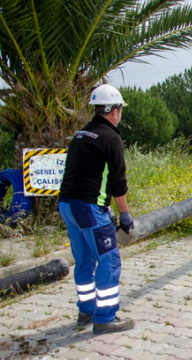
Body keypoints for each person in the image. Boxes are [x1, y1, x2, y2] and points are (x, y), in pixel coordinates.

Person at [58, 84, 135, 335]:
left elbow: (89, 177)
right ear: (114, 111)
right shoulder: (111, 138)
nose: (120, 113)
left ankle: (86, 311)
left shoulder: (81, 135)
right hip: (88, 209)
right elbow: (118, 184)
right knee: (109, 260)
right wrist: (124, 216)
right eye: (120, 109)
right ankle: (105, 318)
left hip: (68, 205)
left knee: (84, 259)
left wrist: (107, 210)